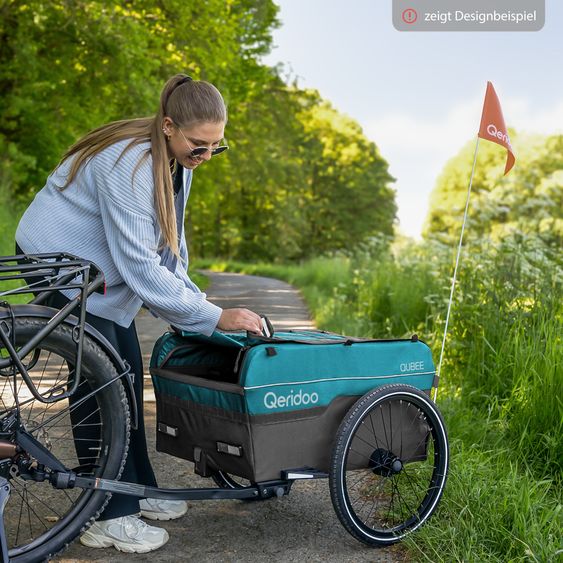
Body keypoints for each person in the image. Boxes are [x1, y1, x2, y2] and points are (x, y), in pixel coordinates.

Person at [15, 73, 263, 553]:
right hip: (56, 263)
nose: (206, 157)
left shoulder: (176, 159)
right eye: (199, 145)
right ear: (169, 125)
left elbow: (170, 246)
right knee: (99, 380)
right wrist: (212, 316)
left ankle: (136, 489)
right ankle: (105, 515)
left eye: (217, 146)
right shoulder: (126, 164)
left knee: (126, 376)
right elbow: (139, 264)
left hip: (96, 271)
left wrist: (191, 300)